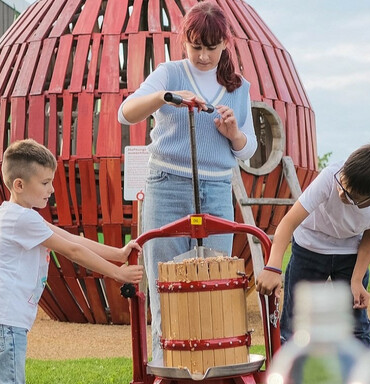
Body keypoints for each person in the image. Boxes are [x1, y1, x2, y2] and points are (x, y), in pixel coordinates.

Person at [118, 2, 257, 360]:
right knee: (166, 285)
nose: (204, 55)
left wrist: (233, 134)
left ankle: (212, 367)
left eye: (211, 47)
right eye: (196, 47)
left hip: (216, 188)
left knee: (215, 283)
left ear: (225, 43)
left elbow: (248, 150)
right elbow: (125, 113)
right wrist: (167, 98)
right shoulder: (170, 72)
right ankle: (166, 369)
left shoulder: (239, 87)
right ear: (185, 42)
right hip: (166, 183)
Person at [0, 139, 144, 384]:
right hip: (8, 322)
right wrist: (118, 274)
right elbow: (73, 250)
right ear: (19, 184)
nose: (52, 189)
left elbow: (67, 237)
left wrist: (118, 254)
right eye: (45, 183)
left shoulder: (17, 215)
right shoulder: (24, 220)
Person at [255, 142, 370, 348]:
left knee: (356, 326)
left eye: (351, 197)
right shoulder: (330, 176)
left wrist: (357, 280)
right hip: (310, 245)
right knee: (294, 323)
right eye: (342, 185)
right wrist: (273, 266)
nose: (341, 194)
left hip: (350, 251)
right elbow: (288, 222)